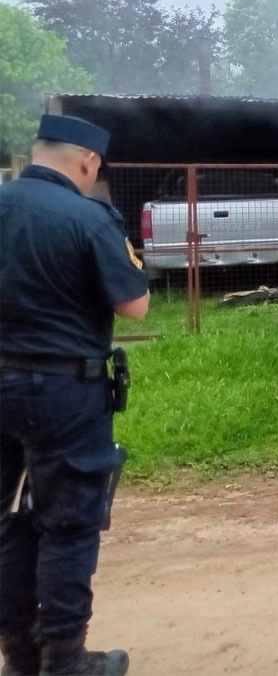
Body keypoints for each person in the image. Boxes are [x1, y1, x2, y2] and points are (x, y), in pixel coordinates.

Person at [1, 115, 150, 676]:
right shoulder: (87, 218)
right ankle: (65, 662)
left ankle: (19, 657)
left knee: (6, 523)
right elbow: (133, 304)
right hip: (64, 391)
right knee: (66, 524)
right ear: (88, 161)